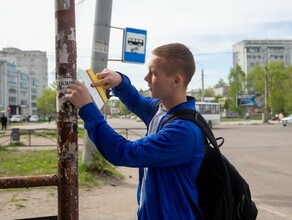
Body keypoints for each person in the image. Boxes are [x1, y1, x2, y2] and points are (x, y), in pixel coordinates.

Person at [66, 43, 204, 220]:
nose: (146, 78)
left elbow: (124, 152)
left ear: (176, 80)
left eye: (154, 73)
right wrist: (120, 81)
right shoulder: (160, 110)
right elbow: (135, 100)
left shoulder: (183, 132)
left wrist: (88, 109)